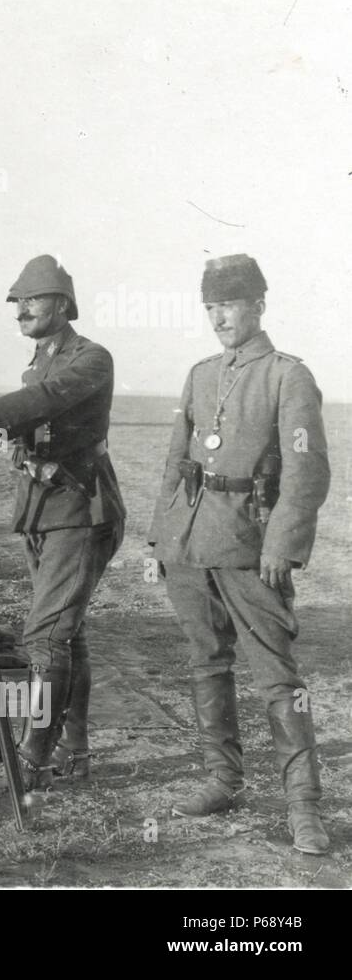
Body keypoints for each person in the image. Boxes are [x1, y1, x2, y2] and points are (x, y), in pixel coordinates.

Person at [148, 254, 331, 855]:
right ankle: (223, 780)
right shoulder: (201, 374)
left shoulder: (287, 375)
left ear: (257, 304)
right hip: (192, 545)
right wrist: (161, 540)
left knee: (278, 677)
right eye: (209, 307)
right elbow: (178, 463)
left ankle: (304, 807)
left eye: (227, 305)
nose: (217, 317)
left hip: (252, 547)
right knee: (206, 664)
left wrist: (283, 544)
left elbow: (306, 473)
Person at [0, 254, 125, 791]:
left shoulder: (90, 359)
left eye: (32, 300)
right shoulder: (34, 365)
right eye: (16, 303)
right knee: (68, 634)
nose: (21, 310)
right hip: (42, 509)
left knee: (44, 637)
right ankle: (74, 751)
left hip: (82, 511)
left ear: (62, 304)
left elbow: (47, 398)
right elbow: (32, 418)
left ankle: (31, 762)